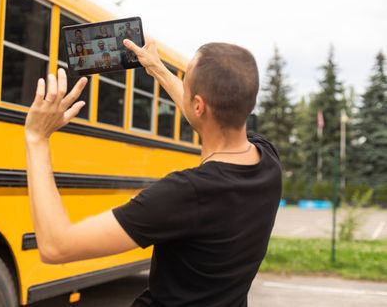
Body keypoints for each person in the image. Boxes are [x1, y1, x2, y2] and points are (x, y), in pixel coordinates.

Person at [24, 37, 282, 306]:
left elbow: (56, 246)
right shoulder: (268, 161)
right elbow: (205, 113)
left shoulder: (188, 193)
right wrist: (157, 68)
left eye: (186, 82)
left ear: (198, 105)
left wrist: (37, 138)